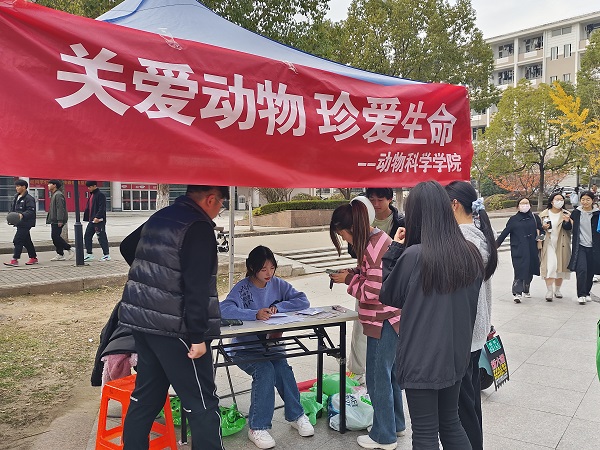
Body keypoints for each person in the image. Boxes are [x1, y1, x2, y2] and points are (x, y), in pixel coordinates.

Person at [119, 185, 228, 450]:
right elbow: (197, 286)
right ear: (211, 199)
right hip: (177, 328)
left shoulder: (163, 215)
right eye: (221, 204)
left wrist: (156, 280)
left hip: (143, 322)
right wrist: (198, 337)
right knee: (202, 402)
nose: (219, 211)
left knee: (146, 397)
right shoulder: (198, 227)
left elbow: (127, 246)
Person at [380, 180, 484, 450]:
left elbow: (389, 295)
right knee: (451, 423)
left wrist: (394, 249)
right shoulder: (470, 254)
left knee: (425, 432)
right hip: (455, 354)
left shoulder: (414, 255)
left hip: (422, 358)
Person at [219, 245, 314, 449]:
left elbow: (303, 300)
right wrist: (253, 314)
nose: (269, 273)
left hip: (272, 346)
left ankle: (296, 415)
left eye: (272, 268)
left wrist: (279, 307)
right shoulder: (243, 288)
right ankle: (257, 427)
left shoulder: (278, 284)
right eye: (263, 269)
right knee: (265, 370)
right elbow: (223, 309)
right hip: (244, 348)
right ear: (252, 268)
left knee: (283, 369)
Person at [329, 200, 405, 450]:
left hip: (382, 320)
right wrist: (352, 272)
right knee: (389, 376)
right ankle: (395, 424)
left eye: (343, 235)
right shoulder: (377, 239)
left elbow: (373, 290)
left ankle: (384, 436)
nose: (345, 240)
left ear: (352, 228)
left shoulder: (373, 248)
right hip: (391, 319)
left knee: (376, 378)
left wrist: (348, 280)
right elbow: (373, 274)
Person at [445, 181, 498, 450]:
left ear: (454, 204)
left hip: (465, 332)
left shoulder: (464, 241)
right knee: (471, 402)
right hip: (477, 330)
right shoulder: (480, 235)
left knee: (462, 408)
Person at [347, 189, 405, 385]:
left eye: (380, 199)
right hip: (371, 287)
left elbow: (372, 290)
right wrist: (356, 271)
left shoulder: (399, 223)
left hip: (384, 300)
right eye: (372, 199)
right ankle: (356, 370)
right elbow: (355, 253)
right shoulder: (360, 223)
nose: (376, 203)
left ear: (390, 199)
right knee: (361, 332)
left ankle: (365, 375)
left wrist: (349, 280)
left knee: (380, 376)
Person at [496, 198, 542, 303]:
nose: (524, 205)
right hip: (519, 249)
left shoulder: (535, 218)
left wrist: (540, 239)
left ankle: (526, 287)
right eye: (522, 203)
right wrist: (496, 245)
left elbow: (541, 230)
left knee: (530, 270)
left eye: (526, 203)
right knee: (519, 270)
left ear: (530, 205)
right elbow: (505, 233)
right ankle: (517, 292)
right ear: (518, 206)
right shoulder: (513, 219)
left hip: (532, 248)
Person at [567, 190, 600, 305]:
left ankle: (586, 292)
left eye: (588, 199)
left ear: (593, 200)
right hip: (580, 246)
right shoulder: (576, 213)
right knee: (582, 269)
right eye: (583, 199)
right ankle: (581, 295)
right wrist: (566, 222)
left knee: (590, 270)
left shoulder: (597, 214)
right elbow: (569, 227)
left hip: (594, 247)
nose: (585, 202)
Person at [539, 193, 572, 301]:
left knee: (560, 267)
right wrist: (543, 228)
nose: (559, 201)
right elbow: (538, 230)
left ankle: (557, 289)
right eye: (557, 199)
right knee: (550, 267)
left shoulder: (566, 214)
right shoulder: (544, 214)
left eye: (561, 199)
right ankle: (549, 291)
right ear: (551, 201)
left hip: (562, 243)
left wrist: (567, 222)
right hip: (548, 244)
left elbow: (571, 229)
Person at [4, 179, 38, 267]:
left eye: (18, 186)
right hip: (19, 223)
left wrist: (22, 215)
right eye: (16, 186)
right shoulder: (16, 197)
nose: (17, 188)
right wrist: (10, 217)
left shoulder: (29, 198)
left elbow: (31, 211)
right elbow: (12, 209)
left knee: (17, 240)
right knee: (26, 241)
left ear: (24, 187)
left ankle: (15, 260)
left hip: (26, 223)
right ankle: (33, 257)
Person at [47, 179, 73, 261]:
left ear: (54, 185)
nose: (48, 185)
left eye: (50, 184)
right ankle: (60, 254)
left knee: (55, 237)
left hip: (57, 220)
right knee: (55, 237)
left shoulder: (58, 195)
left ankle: (69, 248)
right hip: (54, 219)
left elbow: (60, 208)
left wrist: (60, 220)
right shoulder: (55, 194)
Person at [83, 180, 110, 261]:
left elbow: (102, 207)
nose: (88, 188)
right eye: (88, 187)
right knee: (87, 236)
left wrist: (98, 217)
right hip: (92, 221)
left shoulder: (100, 195)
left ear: (95, 186)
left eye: (90, 187)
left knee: (101, 237)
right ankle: (89, 254)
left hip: (99, 221)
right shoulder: (92, 195)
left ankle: (106, 255)